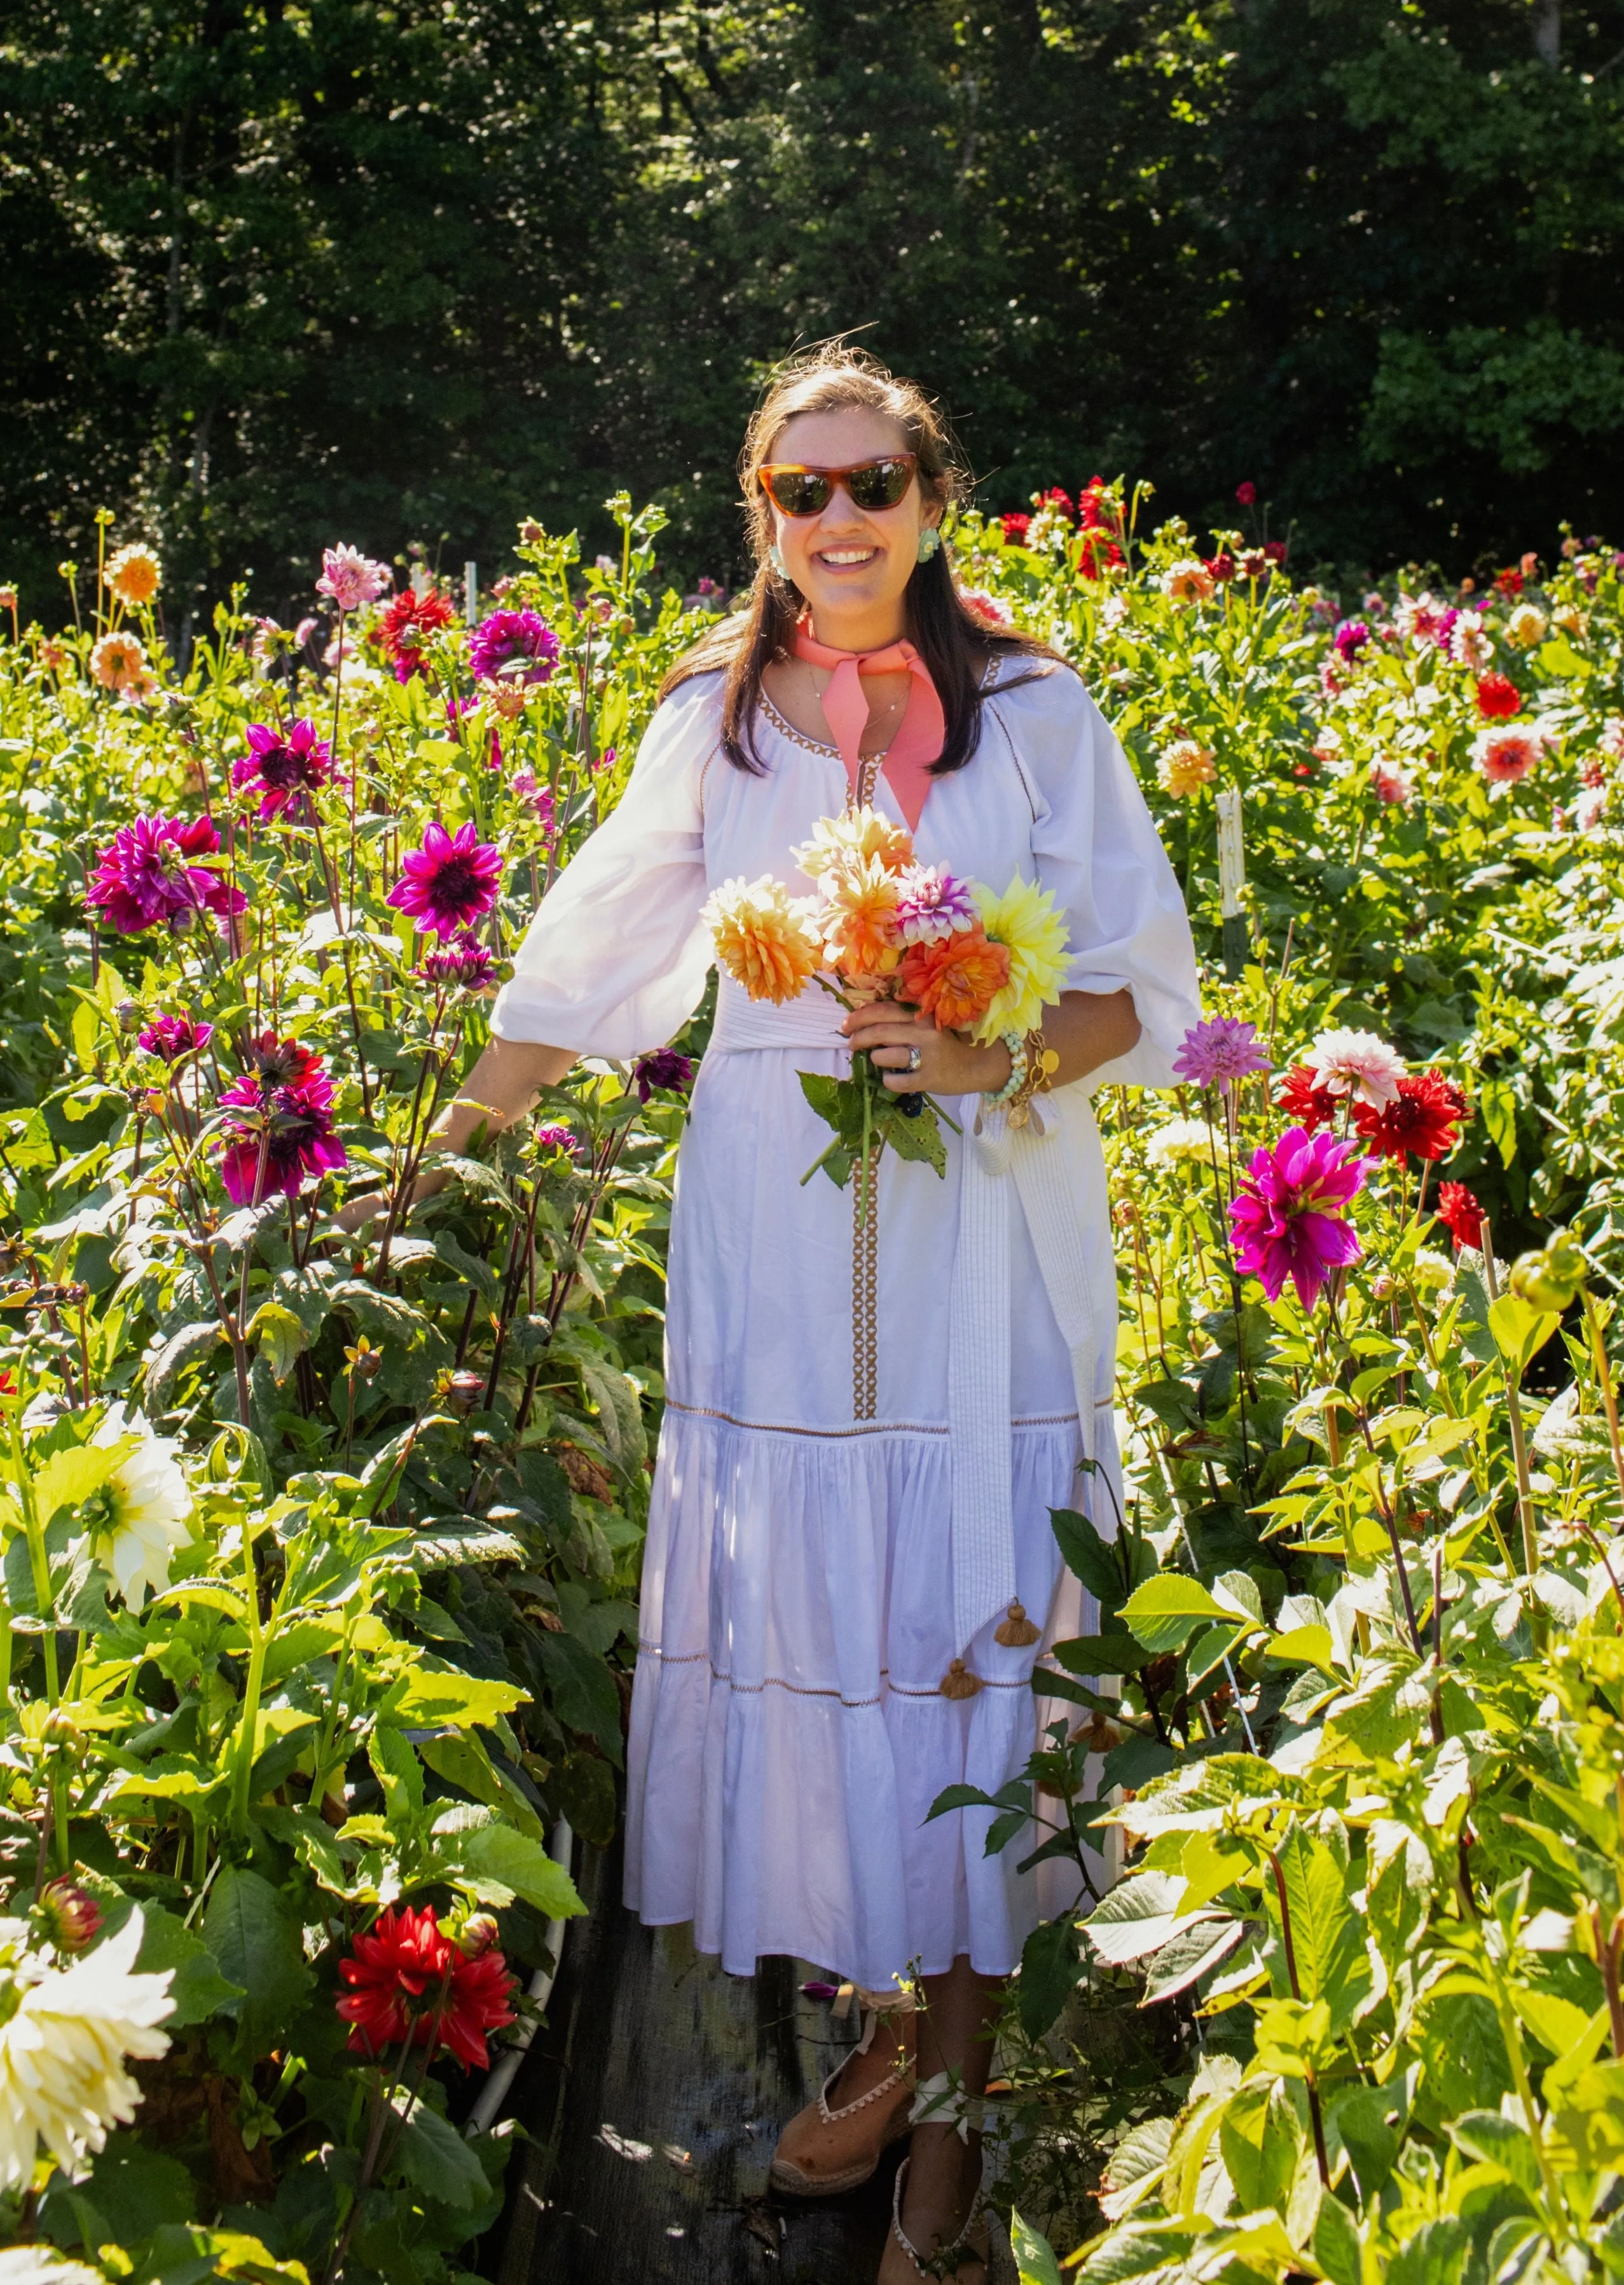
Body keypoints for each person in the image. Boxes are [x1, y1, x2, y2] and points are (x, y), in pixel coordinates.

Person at [394, 346, 1199, 2281]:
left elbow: (1138, 995)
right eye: (796, 491)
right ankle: (891, 2026)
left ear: (929, 500)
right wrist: (435, 1167)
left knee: (966, 1632)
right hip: (771, 1236)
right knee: (828, 1634)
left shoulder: (1030, 713)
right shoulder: (719, 720)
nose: (834, 523)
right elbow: (588, 950)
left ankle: (948, 2089)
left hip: (980, 1262)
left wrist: (986, 1053)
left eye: (869, 486)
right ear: (759, 510)